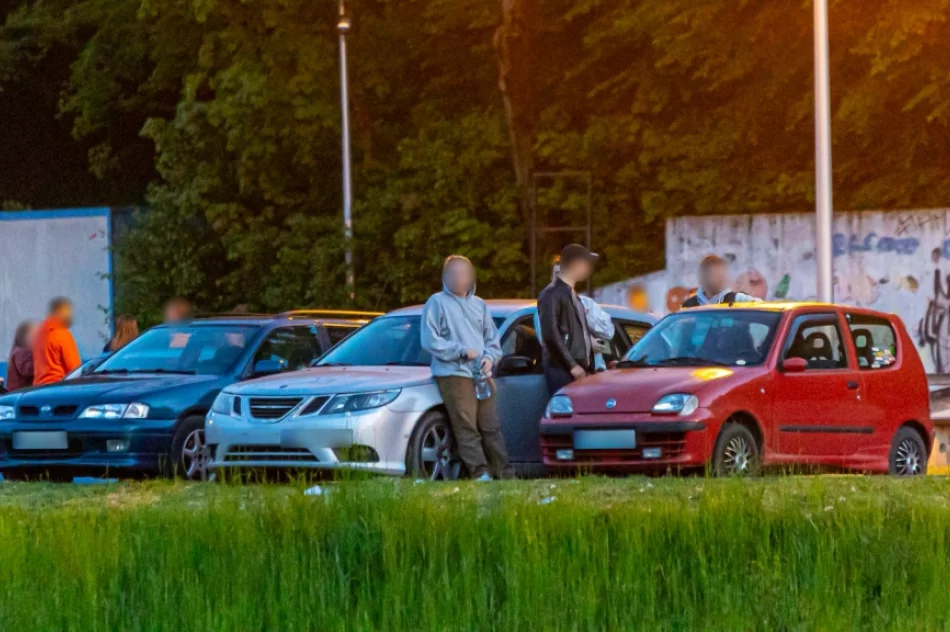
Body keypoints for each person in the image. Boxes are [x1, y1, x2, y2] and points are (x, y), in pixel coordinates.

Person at [421, 255, 510, 481]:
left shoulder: (479, 304)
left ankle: (506, 475)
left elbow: (493, 340)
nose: (460, 278)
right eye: (455, 273)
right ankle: (480, 474)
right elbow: (429, 341)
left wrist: (490, 357)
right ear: (445, 276)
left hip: (482, 374)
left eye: (464, 273)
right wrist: (460, 350)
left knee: (491, 427)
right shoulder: (437, 302)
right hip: (454, 374)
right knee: (466, 426)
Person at [538, 244, 599, 396]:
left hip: (578, 368)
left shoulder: (572, 295)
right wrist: (572, 365)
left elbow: (574, 332)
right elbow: (550, 334)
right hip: (563, 370)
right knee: (565, 413)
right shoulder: (551, 294)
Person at [33, 297, 82, 386]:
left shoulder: (40, 332)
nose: (70, 316)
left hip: (38, 388)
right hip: (58, 388)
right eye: (68, 313)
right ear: (60, 312)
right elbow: (75, 369)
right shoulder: (62, 333)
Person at [680, 255, 762, 309]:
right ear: (705, 277)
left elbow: (762, 307)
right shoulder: (689, 305)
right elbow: (680, 333)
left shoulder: (737, 299)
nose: (722, 279)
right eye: (717, 275)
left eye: (723, 275)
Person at [6, 321, 36, 391]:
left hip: (21, 391)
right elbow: (26, 370)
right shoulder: (21, 351)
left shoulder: (21, 349)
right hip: (20, 392)